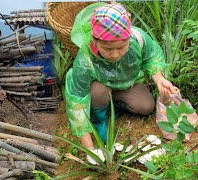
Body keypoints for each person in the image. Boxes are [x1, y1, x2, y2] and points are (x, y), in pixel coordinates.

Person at [65, 3, 178, 164]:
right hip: (101, 88)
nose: (115, 54)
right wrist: (90, 150)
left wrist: (159, 79)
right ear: (95, 41)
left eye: (121, 47)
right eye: (108, 49)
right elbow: (77, 100)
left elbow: (152, 57)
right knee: (97, 91)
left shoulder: (138, 38)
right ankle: (99, 118)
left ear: (128, 37)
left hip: (127, 85)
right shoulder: (85, 60)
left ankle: (113, 106)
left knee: (146, 107)